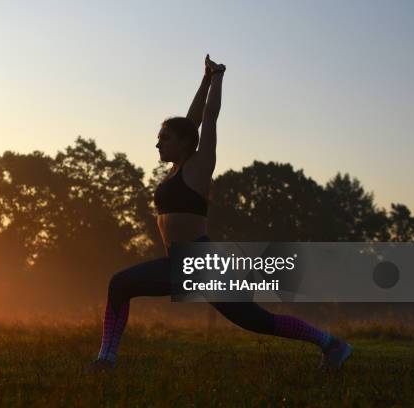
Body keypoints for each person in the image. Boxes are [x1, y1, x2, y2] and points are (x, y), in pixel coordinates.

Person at [86, 55, 352, 373]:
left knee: (121, 284)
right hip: (187, 262)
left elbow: (207, 119)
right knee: (256, 320)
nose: (157, 143)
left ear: (184, 144)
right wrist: (205, 78)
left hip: (196, 260)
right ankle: (332, 344)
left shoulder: (198, 167)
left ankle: (106, 361)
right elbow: (192, 120)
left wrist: (219, 77)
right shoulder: (177, 168)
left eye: (164, 139)